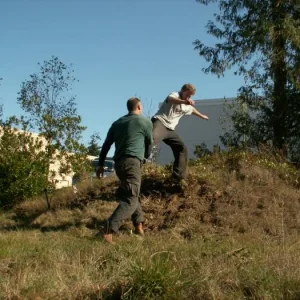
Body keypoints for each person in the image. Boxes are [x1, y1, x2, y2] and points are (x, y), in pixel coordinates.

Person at [96, 97, 153, 243]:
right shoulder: (145, 121)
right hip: (132, 162)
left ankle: (139, 225)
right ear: (139, 107)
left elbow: (106, 145)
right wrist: (145, 158)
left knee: (132, 194)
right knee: (130, 199)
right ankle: (108, 230)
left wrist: (101, 164)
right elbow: (149, 143)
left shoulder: (117, 123)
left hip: (119, 164)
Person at [151, 83, 209, 181]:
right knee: (151, 139)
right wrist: (183, 101)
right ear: (183, 90)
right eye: (188, 94)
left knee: (182, 148)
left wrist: (201, 115)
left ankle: (178, 176)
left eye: (190, 96)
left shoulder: (187, 105)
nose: (189, 97)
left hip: (170, 130)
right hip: (160, 123)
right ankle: (136, 160)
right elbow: (170, 99)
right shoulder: (175, 95)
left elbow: (192, 109)